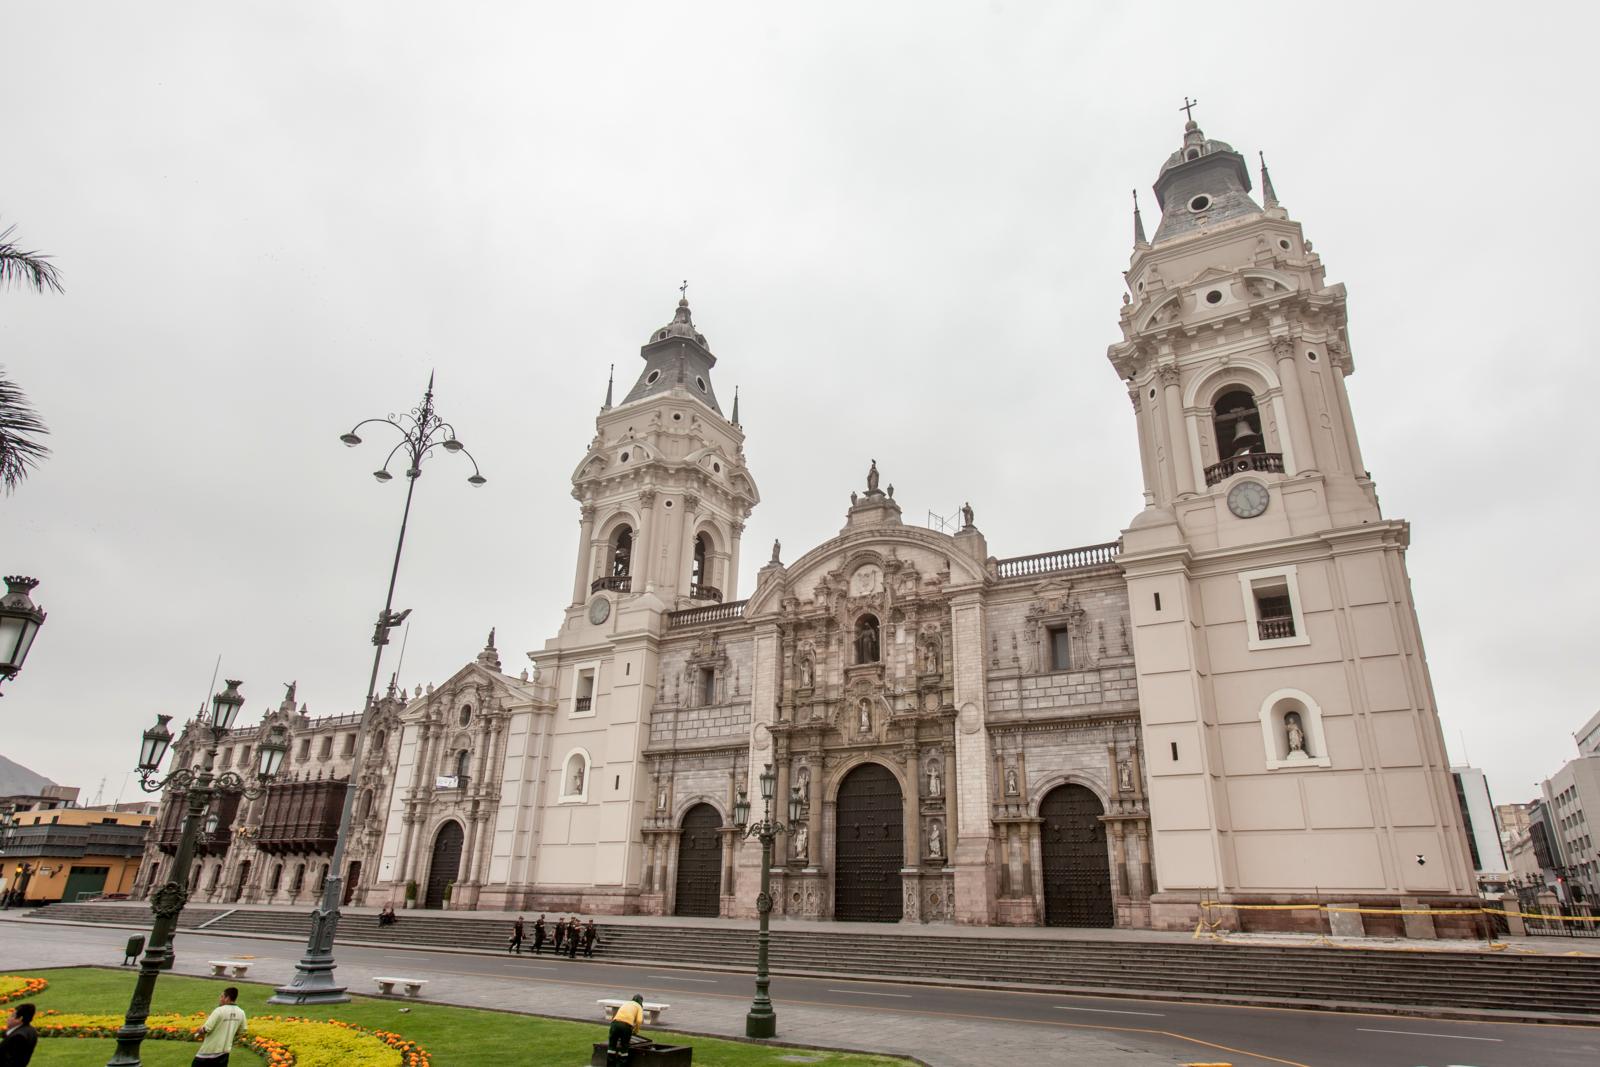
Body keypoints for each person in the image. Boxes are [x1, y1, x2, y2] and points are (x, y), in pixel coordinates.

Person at [191, 987, 246, 1066]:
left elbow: (206, 1029)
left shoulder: (219, 1010)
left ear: (227, 998)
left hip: (208, 1052)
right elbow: (242, 1031)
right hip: (224, 1053)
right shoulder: (241, 1012)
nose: (220, 999)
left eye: (222, 996)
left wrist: (198, 1032)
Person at [606, 994, 645, 1067]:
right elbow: (639, 1021)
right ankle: (621, 1065)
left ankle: (610, 1065)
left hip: (614, 1024)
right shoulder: (639, 1006)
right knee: (624, 1047)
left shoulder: (626, 1003)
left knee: (612, 1046)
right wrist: (636, 1031)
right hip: (626, 1026)